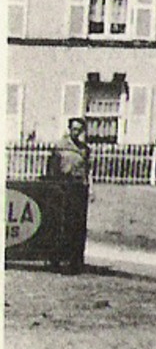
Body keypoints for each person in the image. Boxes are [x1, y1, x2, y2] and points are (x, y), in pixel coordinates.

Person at [46, 117, 91, 273]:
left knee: (76, 225)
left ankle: (74, 261)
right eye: (74, 129)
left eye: (79, 129)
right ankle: (55, 259)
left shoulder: (85, 149)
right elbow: (52, 167)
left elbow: (86, 171)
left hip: (78, 189)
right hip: (62, 187)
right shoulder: (60, 146)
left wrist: (88, 188)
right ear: (69, 129)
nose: (76, 132)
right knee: (60, 223)